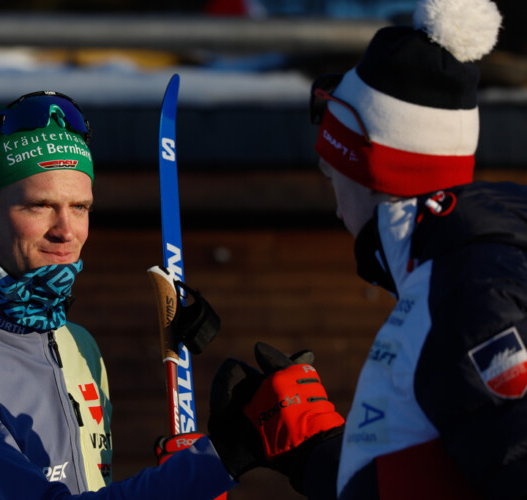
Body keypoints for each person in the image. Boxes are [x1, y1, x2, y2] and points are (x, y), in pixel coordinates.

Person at [206, 0, 527, 498]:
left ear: (370, 172)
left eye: (333, 177)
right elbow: (423, 478)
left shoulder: (467, 295)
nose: (336, 209)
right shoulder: (446, 274)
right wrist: (312, 445)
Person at [0, 91, 241, 499]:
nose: (67, 231)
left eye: (80, 208)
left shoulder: (77, 344)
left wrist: (188, 477)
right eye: (40, 206)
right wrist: (223, 459)